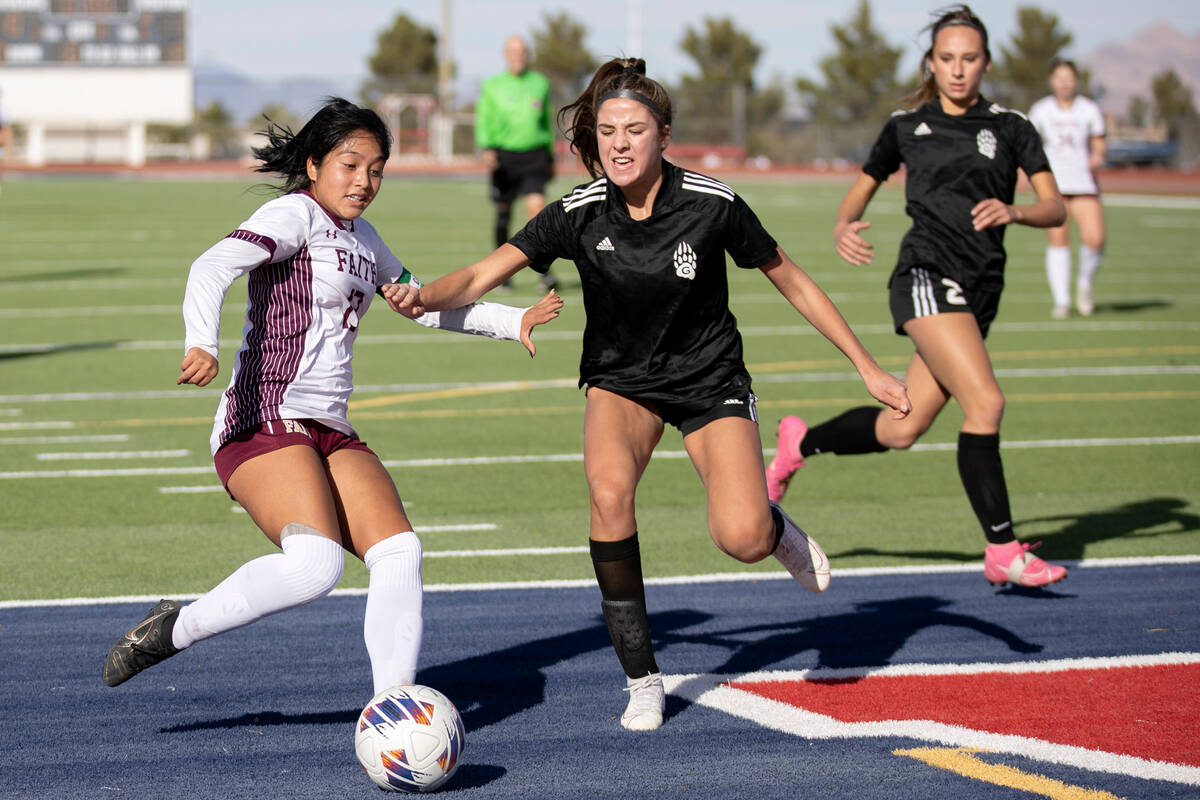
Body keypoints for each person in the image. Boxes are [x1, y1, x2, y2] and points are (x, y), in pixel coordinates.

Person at [384, 59, 911, 731]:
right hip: (622, 381)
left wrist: (865, 366)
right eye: (607, 131)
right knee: (608, 496)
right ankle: (643, 678)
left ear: (664, 135)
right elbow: (486, 273)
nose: (620, 144)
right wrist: (421, 297)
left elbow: (795, 281)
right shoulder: (576, 212)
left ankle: (776, 529)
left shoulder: (712, 203)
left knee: (741, 535)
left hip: (709, 380)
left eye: (635, 130)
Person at [102, 98, 562, 695]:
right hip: (264, 414)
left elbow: (421, 305)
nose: (365, 181)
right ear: (315, 164)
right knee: (316, 568)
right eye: (350, 165)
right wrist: (203, 343)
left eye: (376, 169)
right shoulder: (293, 215)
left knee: (399, 551)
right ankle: (174, 629)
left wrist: (511, 320)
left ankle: (392, 705)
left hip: (328, 425)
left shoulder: (365, 238)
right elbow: (211, 267)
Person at [765, 5, 1069, 592]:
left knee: (903, 426)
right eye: (947, 59)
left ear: (986, 63)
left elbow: (1055, 207)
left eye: (970, 59)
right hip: (925, 277)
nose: (958, 70)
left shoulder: (1011, 127)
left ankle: (797, 444)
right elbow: (856, 196)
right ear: (932, 62)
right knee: (986, 402)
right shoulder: (906, 126)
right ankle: (1002, 548)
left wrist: (1016, 211)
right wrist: (844, 225)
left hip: (980, 289)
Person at [475, 35, 558, 292]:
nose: (518, 56)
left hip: (534, 156)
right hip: (504, 158)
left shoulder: (540, 84)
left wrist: (550, 154)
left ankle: (546, 272)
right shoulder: (493, 85)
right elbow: (484, 117)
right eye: (513, 51)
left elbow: (546, 121)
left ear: (527, 54)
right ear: (505, 54)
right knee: (504, 214)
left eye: (522, 51)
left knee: (537, 213)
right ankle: (501, 273)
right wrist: (487, 147)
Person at [1029, 59, 1107, 318]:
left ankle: (1084, 284)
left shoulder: (1088, 109)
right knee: (1058, 241)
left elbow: (1098, 146)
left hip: (1084, 184)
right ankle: (1061, 300)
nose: (1064, 82)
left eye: (1069, 77)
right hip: (1055, 185)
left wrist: (1095, 159)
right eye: (1059, 77)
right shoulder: (1041, 110)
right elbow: (1030, 146)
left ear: (1077, 80)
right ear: (1052, 81)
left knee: (1095, 238)